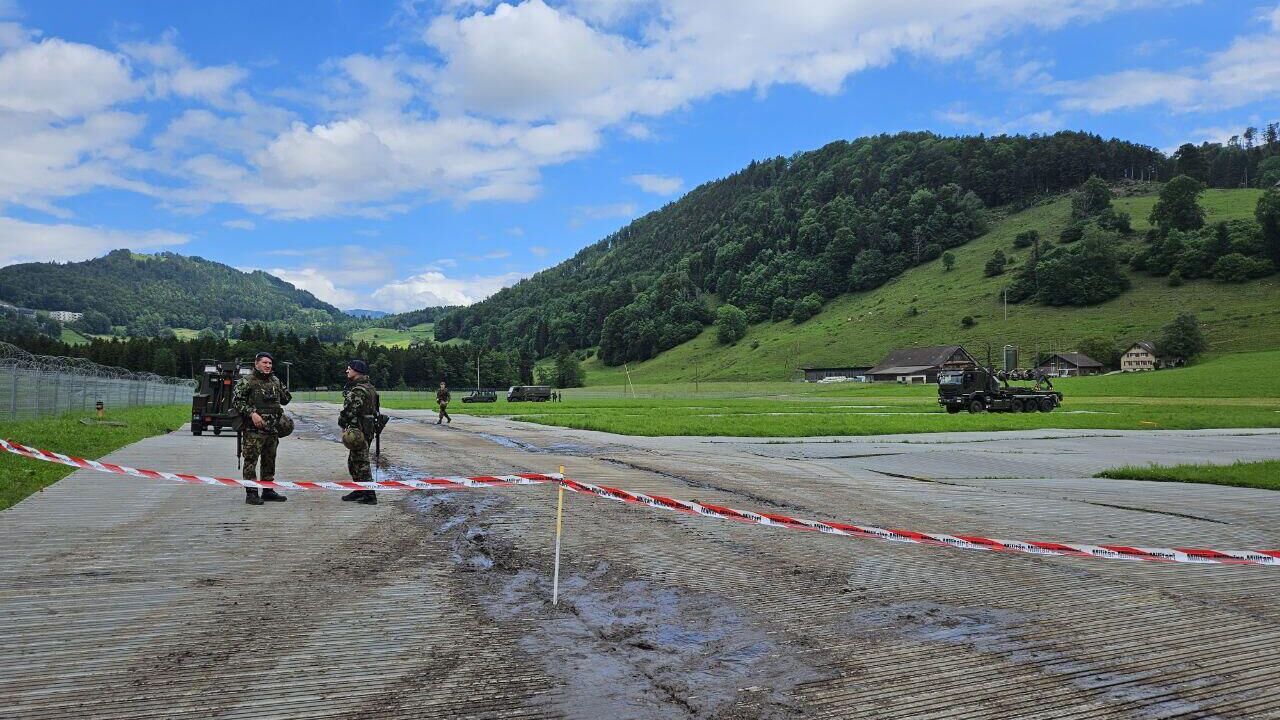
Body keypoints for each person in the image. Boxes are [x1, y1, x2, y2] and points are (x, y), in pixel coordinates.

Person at [231, 351, 291, 506]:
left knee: (269, 460)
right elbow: (237, 402)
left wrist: (279, 386)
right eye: (265, 363)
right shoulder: (247, 381)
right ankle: (251, 493)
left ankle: (268, 489)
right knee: (251, 460)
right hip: (254, 430)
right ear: (256, 363)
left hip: (272, 429)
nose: (268, 366)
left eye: (270, 363)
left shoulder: (275, 380)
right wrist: (252, 413)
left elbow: (285, 400)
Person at [338, 360, 379, 505]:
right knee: (353, 461)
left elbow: (350, 410)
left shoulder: (359, 390)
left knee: (361, 462)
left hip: (360, 430)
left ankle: (369, 494)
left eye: (349, 369)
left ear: (357, 371)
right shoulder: (370, 388)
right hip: (366, 429)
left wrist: (342, 422)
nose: (347, 371)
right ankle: (359, 489)